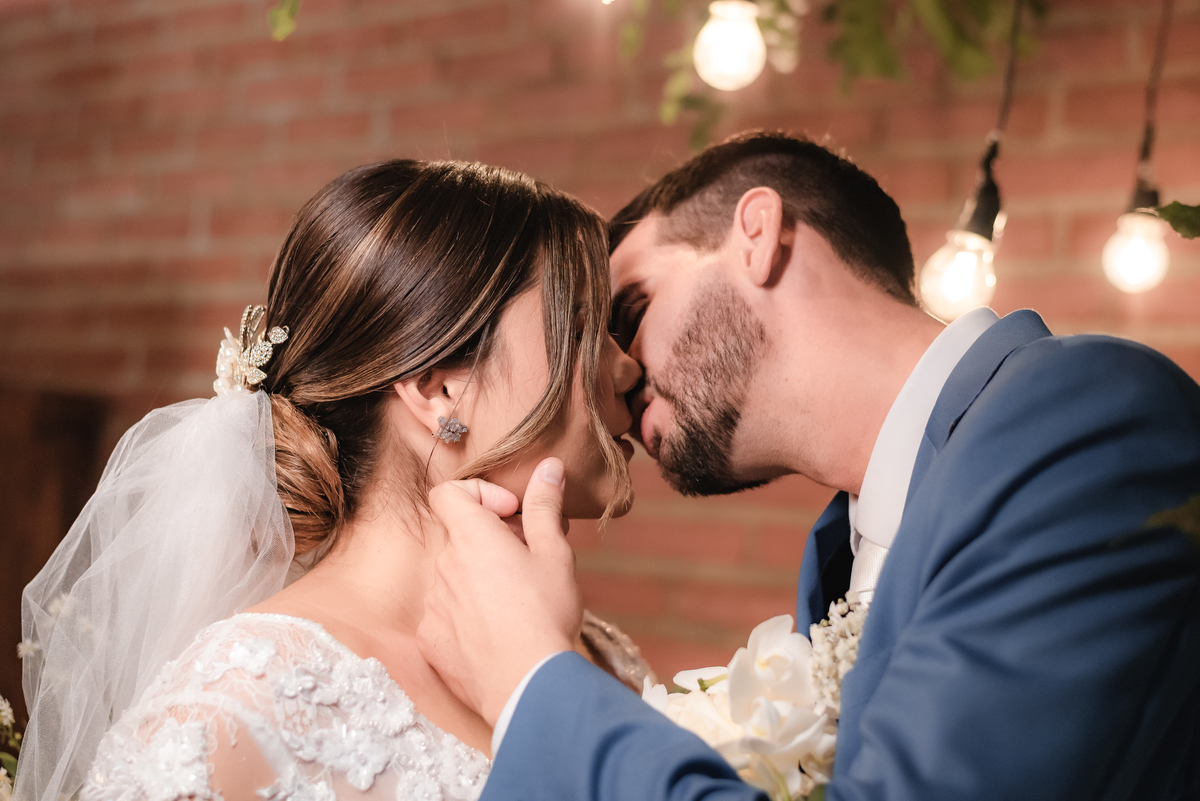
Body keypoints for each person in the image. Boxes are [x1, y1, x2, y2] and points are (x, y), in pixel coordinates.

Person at [417, 131, 1200, 800]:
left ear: (757, 234)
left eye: (632, 311)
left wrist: (532, 677)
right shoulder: (837, 555)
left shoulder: (1083, 418)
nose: (618, 372)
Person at [16, 159, 651, 801]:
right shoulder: (233, 715)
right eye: (584, 330)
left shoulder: (593, 651)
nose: (627, 368)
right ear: (440, 389)